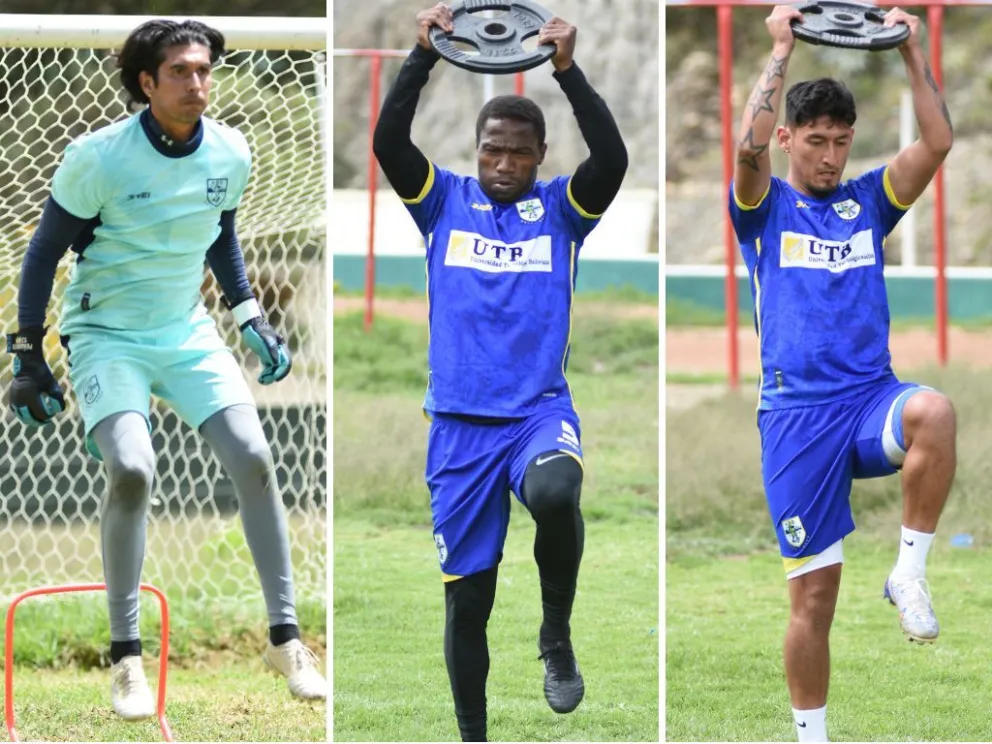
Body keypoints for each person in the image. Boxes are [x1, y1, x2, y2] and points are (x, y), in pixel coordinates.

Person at [4, 19, 326, 720]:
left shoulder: (232, 152)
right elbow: (42, 253)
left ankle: (286, 639)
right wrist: (27, 351)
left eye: (203, 69)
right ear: (146, 83)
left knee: (253, 454)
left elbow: (223, 238)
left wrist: (249, 317)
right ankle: (126, 660)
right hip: (104, 334)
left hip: (187, 332)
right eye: (179, 71)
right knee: (133, 469)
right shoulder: (99, 157)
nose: (196, 83)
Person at [372, 3, 628, 741]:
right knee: (468, 605)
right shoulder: (442, 203)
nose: (504, 164)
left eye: (518, 152)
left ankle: (555, 636)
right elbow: (390, 140)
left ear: (540, 154)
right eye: (492, 151)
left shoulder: (563, 212)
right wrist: (422, 55)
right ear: (476, 150)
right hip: (457, 430)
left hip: (536, 414)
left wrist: (568, 70)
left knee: (556, 488)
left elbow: (611, 161)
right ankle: (473, 736)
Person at [729, 5, 955, 742]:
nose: (829, 156)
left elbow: (937, 140)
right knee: (814, 601)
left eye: (841, 142)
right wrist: (780, 51)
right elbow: (746, 148)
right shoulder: (764, 208)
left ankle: (909, 574)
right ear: (791, 138)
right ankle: (811, 736)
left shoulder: (866, 204)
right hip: (795, 420)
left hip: (867, 404)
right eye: (816, 141)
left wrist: (910, 53)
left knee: (935, 412)